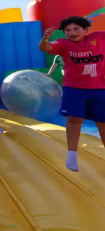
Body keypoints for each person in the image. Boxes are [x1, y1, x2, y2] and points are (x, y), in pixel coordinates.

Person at [39, 16, 105, 172]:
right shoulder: (63, 43)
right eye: (68, 30)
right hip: (74, 87)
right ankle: (72, 154)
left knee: (102, 122)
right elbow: (45, 48)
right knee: (74, 118)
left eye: (76, 28)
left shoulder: (99, 37)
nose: (72, 32)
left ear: (86, 30)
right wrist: (45, 38)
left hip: (99, 87)